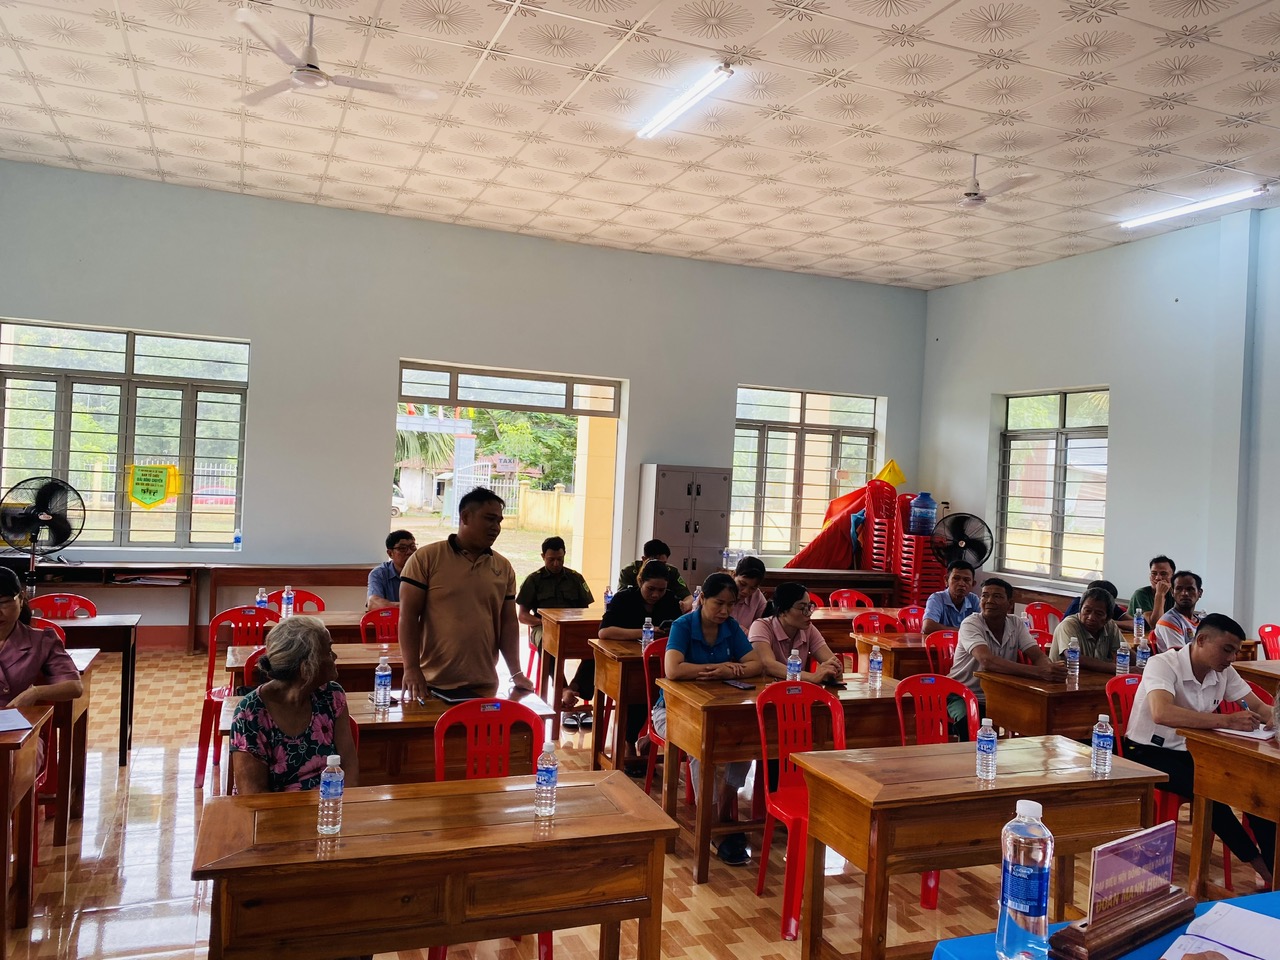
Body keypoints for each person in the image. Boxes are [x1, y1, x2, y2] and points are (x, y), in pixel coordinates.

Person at [1124, 614, 1275, 886]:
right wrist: (1226, 721)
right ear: (1202, 640)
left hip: (1193, 751)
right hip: (1147, 752)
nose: (1231, 658)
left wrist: (1275, 718)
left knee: (1257, 791)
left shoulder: (1223, 671)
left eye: (1235, 652)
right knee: (1212, 793)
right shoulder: (1163, 664)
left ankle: (1276, 871)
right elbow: (1162, 712)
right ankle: (1260, 865)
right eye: (1227, 650)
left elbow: (1259, 707)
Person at [650, 573, 761, 867]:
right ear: (702, 599)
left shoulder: (731, 627)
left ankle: (723, 811)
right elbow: (673, 670)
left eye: (730, 604)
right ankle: (710, 824)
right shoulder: (683, 625)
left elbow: (755, 664)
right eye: (718, 603)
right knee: (700, 749)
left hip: (717, 712)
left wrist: (727, 671)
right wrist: (721, 666)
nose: (725, 611)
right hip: (671, 711)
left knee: (746, 744)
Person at [397, 487, 533, 701]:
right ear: (465, 517)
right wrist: (411, 668)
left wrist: (516, 673)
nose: (496, 527)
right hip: (431, 683)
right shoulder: (426, 558)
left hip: (484, 684)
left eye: (499, 521)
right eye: (489, 519)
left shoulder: (503, 567)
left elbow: (508, 623)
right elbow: (408, 617)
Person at [229, 616, 358, 794]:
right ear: (306, 667)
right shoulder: (250, 713)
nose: (335, 657)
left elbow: (349, 765)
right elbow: (252, 795)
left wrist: (338, 804)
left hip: (329, 804)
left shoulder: (332, 696)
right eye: (328, 651)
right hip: (274, 809)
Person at [598, 560, 684, 771]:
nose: (656, 594)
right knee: (636, 694)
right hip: (629, 659)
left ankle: (650, 737)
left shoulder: (670, 600)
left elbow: (681, 630)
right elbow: (604, 632)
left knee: (665, 695)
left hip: (662, 661)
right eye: (650, 589)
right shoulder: (624, 599)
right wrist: (646, 631)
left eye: (661, 590)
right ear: (640, 582)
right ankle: (629, 743)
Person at [948, 578, 1066, 727]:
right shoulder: (971, 624)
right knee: (969, 721)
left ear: (1010, 604)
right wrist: (1040, 672)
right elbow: (987, 661)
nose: (989, 601)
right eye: (985, 595)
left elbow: (1037, 655)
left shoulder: (1016, 623)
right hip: (962, 693)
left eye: (997, 596)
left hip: (999, 695)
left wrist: (1049, 669)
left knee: (1039, 715)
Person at [0, 568, 83, 768]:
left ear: (21, 599)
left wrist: (36, 693)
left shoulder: (42, 640)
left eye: (3, 602)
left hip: (19, 734)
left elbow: (74, 687)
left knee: (13, 764)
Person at [516, 536, 594, 726]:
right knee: (548, 643)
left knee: (597, 647)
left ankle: (573, 688)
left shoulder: (575, 578)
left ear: (564, 555)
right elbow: (522, 616)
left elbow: (585, 611)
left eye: (560, 559)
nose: (556, 563)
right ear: (543, 556)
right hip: (542, 628)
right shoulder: (534, 580)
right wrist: (545, 622)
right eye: (551, 560)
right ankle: (563, 689)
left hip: (572, 628)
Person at [749, 581, 843, 683]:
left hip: (796, 689)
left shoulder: (808, 629)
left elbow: (830, 659)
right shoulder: (761, 626)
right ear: (782, 612)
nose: (809, 613)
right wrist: (811, 677)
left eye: (809, 607)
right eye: (802, 608)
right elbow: (767, 664)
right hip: (765, 689)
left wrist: (834, 668)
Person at [1049, 587, 1125, 673]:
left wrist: (1137, 667)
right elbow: (1074, 657)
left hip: (1093, 678)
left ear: (1107, 618)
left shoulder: (1110, 625)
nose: (1091, 617)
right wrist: (1117, 668)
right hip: (1066, 678)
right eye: (1087, 611)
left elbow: (1125, 650)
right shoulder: (1068, 625)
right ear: (1080, 609)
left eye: (1098, 614)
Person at [617, 539, 693, 611]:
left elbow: (688, 598)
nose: (659, 566)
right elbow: (621, 600)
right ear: (644, 559)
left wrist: (683, 606)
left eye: (663, 563)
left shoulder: (671, 571)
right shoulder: (629, 571)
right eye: (650, 588)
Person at [921, 560, 980, 635]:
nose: (961, 584)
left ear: (973, 584)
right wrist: (964, 631)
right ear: (946, 580)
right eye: (956, 578)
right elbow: (928, 627)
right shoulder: (936, 598)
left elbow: (982, 626)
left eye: (966, 580)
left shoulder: (974, 600)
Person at [1152, 570, 1203, 652]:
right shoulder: (1169, 620)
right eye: (1179, 589)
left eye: (1190, 589)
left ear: (1200, 593)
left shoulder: (1203, 622)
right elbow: (1181, 656)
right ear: (1172, 592)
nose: (1184, 593)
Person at [367, 529, 416, 610]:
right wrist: (412, 608)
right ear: (390, 553)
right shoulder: (379, 573)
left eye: (413, 547)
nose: (410, 552)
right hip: (390, 617)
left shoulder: (424, 571)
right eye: (402, 548)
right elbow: (373, 603)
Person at [1129, 555, 1176, 627]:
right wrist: (1160, 594)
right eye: (1154, 573)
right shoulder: (1141, 594)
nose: (1157, 578)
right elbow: (1155, 625)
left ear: (1173, 576)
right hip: (1136, 633)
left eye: (1163, 574)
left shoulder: (1175, 594)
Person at [728, 555, 767, 630]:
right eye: (742, 584)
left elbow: (765, 624)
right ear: (734, 575)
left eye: (753, 588)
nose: (745, 591)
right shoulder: (719, 591)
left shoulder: (757, 596)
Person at [1062, 579, 1130, 621]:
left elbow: (1134, 623)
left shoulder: (1110, 605)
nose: (1091, 617)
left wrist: (1112, 623)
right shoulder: (1079, 603)